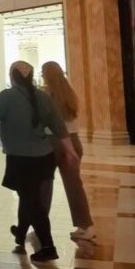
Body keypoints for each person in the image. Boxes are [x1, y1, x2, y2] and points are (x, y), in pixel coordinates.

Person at [0, 60, 77, 263]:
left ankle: (48, 246)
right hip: (44, 157)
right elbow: (59, 126)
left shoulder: (8, 97)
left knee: (32, 201)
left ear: (13, 77)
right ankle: (20, 233)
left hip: (22, 159)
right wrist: (70, 150)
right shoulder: (43, 97)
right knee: (28, 196)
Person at [40, 61, 96, 242]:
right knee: (74, 185)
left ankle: (40, 224)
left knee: (44, 184)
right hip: (74, 141)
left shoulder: (46, 95)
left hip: (52, 142)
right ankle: (85, 226)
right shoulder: (70, 94)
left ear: (46, 75)